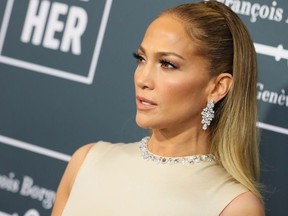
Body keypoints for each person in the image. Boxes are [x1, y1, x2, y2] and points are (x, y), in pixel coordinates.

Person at [52, 1, 265, 215]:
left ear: (218, 87)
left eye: (167, 64)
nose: (143, 78)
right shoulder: (87, 162)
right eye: (141, 59)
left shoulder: (234, 206)